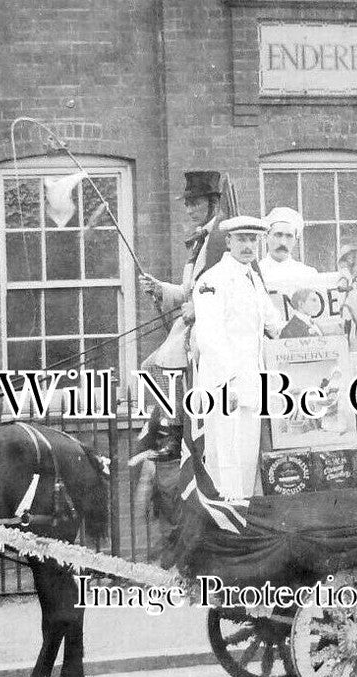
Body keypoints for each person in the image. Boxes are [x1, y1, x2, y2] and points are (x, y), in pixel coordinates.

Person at [138, 171, 228, 460]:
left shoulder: (221, 239)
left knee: (162, 366)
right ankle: (173, 430)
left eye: (195, 203)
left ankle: (176, 436)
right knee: (151, 366)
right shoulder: (200, 239)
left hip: (212, 326)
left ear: (213, 203)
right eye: (187, 204)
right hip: (191, 322)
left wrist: (200, 308)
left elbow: (225, 288)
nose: (189, 210)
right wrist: (160, 288)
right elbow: (190, 290)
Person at [191, 216, 276, 500]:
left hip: (251, 383)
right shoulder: (212, 280)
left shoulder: (252, 278)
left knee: (247, 459)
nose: (248, 245)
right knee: (227, 462)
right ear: (228, 242)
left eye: (253, 240)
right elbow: (210, 337)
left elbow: (274, 324)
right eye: (241, 239)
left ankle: (241, 521)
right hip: (224, 385)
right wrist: (229, 384)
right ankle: (228, 527)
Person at [257, 207, 318, 287]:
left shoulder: (307, 274)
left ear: (295, 240)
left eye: (289, 236)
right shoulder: (255, 274)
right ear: (266, 237)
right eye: (278, 235)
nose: (283, 242)